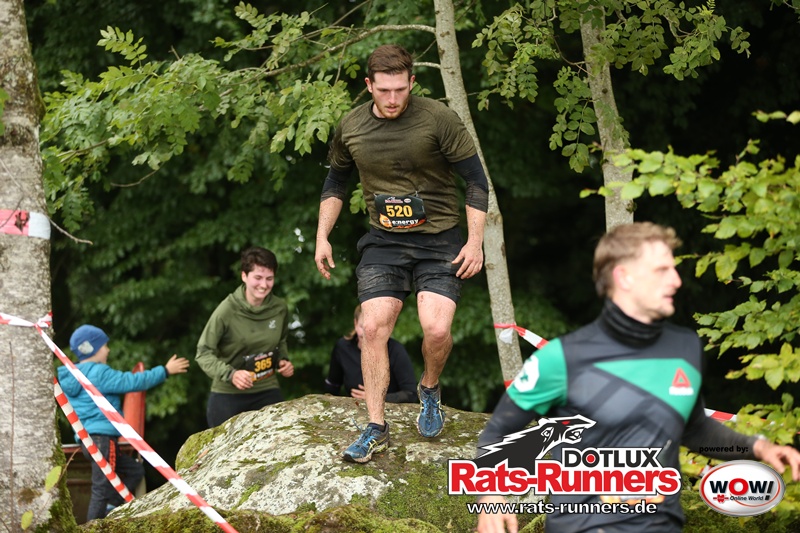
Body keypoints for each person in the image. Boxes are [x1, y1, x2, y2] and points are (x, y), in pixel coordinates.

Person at [475, 222, 800, 533]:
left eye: (674, 269)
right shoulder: (562, 358)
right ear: (624, 277)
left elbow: (695, 428)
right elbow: (497, 434)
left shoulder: (685, 347)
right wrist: (491, 495)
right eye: (662, 270)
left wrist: (758, 447)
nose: (676, 280)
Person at [314, 44, 489, 463]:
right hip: (384, 241)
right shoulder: (351, 126)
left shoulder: (438, 119)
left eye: (400, 89)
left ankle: (429, 388)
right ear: (368, 85)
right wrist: (322, 236)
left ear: (412, 82)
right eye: (383, 90)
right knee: (373, 328)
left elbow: (476, 181)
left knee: (436, 330)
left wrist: (474, 242)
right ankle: (376, 426)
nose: (392, 99)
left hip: (440, 239)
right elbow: (335, 183)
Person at [57, 324, 189, 521]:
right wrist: (165, 370)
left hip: (88, 440)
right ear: (93, 349)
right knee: (101, 488)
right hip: (102, 439)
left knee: (134, 470)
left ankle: (111, 508)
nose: (108, 350)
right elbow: (132, 382)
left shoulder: (72, 376)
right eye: (104, 345)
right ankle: (92, 527)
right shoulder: (98, 373)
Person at [196, 246, 295, 428]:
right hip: (228, 394)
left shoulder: (279, 308)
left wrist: (283, 361)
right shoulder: (226, 310)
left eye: (269, 278)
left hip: (267, 389)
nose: (263, 285)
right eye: (258, 277)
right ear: (244, 276)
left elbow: (281, 341)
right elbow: (203, 352)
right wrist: (231, 374)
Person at [324, 304, 418, 404]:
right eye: (363, 327)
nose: (367, 334)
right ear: (356, 324)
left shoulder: (396, 350)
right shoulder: (342, 348)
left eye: (373, 328)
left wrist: (377, 398)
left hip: (388, 411)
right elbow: (332, 386)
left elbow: (411, 394)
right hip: (353, 410)